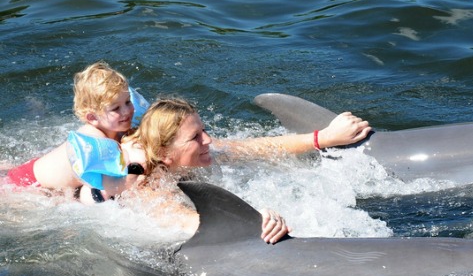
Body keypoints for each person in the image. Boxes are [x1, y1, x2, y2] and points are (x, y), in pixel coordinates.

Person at [112, 96, 372, 243]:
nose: (208, 141)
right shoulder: (149, 188)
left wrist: (323, 138)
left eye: (204, 130)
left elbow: (259, 147)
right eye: (195, 138)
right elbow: (184, 221)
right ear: (165, 154)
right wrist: (251, 221)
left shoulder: (194, 155)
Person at [4, 61, 147, 198]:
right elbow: (111, 187)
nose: (127, 111)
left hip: (38, 167)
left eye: (128, 102)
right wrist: (134, 173)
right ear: (92, 118)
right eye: (116, 108)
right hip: (29, 184)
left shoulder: (115, 128)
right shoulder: (94, 139)